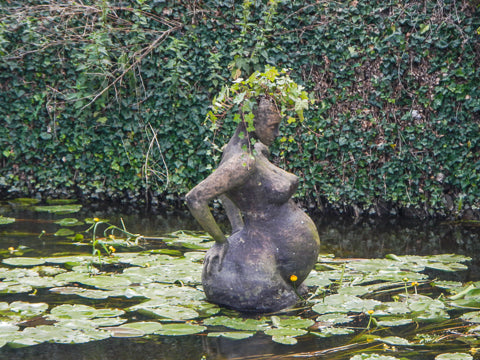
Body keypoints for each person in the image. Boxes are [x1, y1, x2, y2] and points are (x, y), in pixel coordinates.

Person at [186, 97, 320, 312]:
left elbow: (226, 191)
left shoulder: (254, 150)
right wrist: (220, 240)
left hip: (280, 261)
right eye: (273, 127)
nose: (276, 134)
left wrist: (237, 226)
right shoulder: (242, 161)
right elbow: (195, 198)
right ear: (251, 123)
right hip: (263, 266)